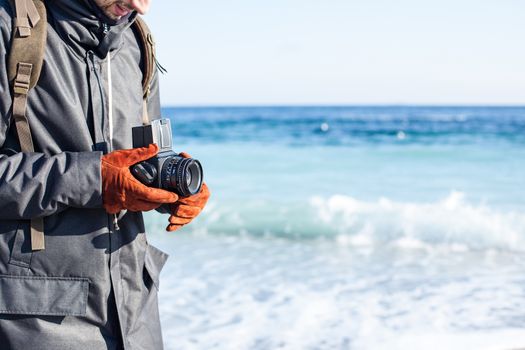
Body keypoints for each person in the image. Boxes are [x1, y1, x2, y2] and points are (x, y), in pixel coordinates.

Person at [0, 0, 209, 349]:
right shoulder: (11, 25)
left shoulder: (136, 40)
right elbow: (104, 178)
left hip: (135, 313)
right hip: (38, 320)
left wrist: (171, 188)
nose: (142, 7)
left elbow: (141, 161)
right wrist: (94, 179)